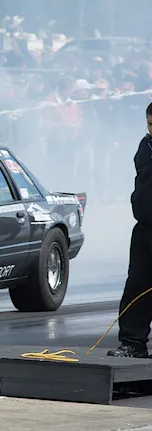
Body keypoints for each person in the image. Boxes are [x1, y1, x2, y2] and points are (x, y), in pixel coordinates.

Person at [107, 102, 152, 358]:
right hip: (145, 228)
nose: (151, 129)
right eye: (149, 124)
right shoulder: (145, 146)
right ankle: (133, 343)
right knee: (137, 285)